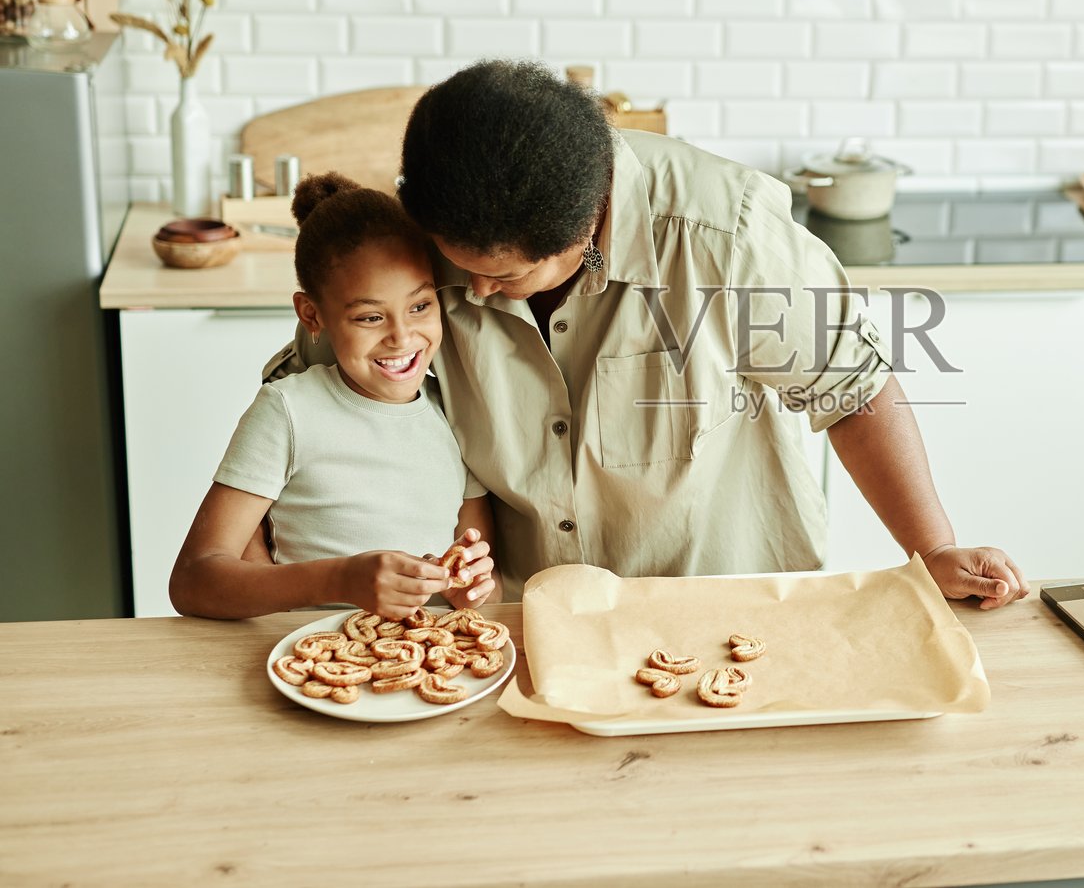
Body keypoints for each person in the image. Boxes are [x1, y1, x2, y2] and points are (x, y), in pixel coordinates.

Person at [268, 60, 1028, 609]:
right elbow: (317, 388)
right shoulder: (434, 242)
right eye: (455, 266)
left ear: (582, 234)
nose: (471, 291)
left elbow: (855, 391)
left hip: (727, 607)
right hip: (533, 618)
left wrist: (931, 552)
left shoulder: (724, 238)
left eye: (501, 279)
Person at [169, 174, 496, 619]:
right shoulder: (287, 411)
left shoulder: (456, 410)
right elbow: (193, 580)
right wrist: (341, 579)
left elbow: (483, 594)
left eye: (420, 306)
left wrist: (472, 588)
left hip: (428, 667)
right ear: (312, 315)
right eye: (369, 317)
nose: (402, 337)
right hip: (312, 662)